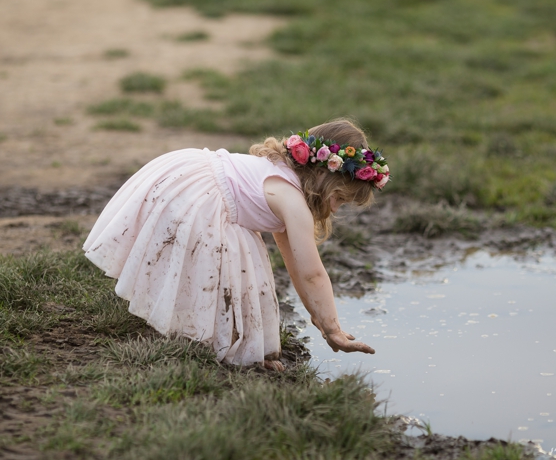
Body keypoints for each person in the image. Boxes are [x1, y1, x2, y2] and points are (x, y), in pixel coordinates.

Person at [83, 118, 386, 370]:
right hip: (202, 200)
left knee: (246, 262)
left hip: (188, 175)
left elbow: (297, 266)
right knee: (233, 264)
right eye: (339, 198)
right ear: (324, 176)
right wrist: (333, 329)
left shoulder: (283, 178)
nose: (334, 209)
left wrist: (319, 316)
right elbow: (313, 274)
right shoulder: (292, 202)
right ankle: (220, 346)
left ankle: (217, 338)